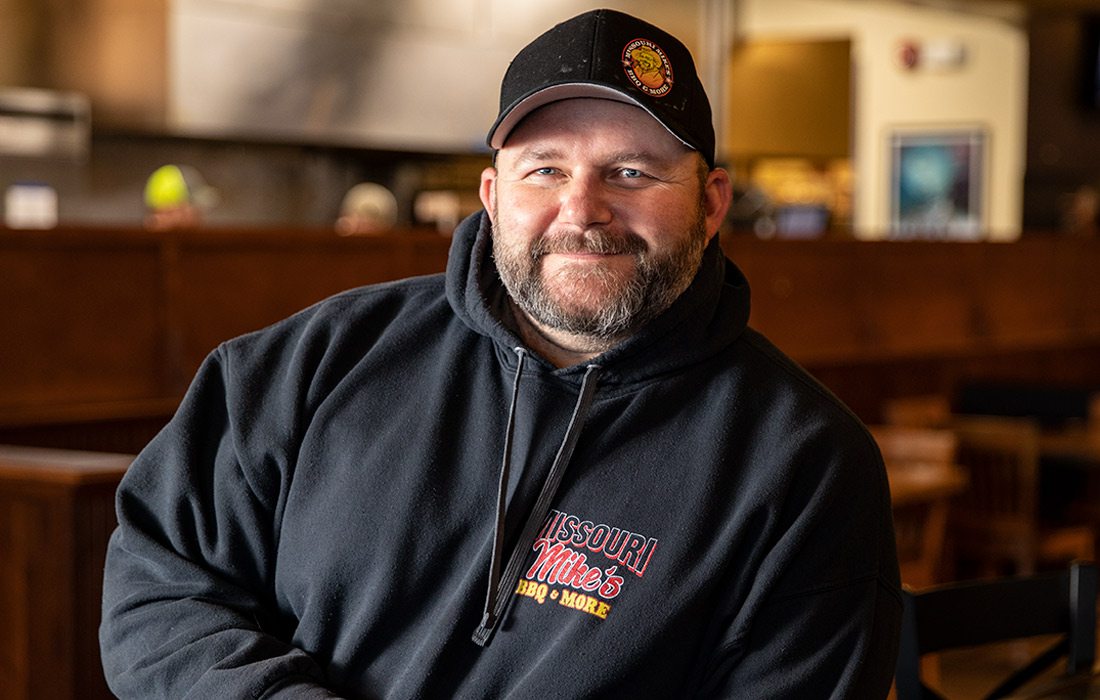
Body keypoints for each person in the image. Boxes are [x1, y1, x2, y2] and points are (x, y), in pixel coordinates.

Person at [100, 8, 901, 698]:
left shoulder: (805, 465)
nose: (581, 209)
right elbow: (160, 589)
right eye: (544, 169)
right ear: (492, 197)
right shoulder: (312, 363)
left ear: (711, 202)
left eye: (631, 172)